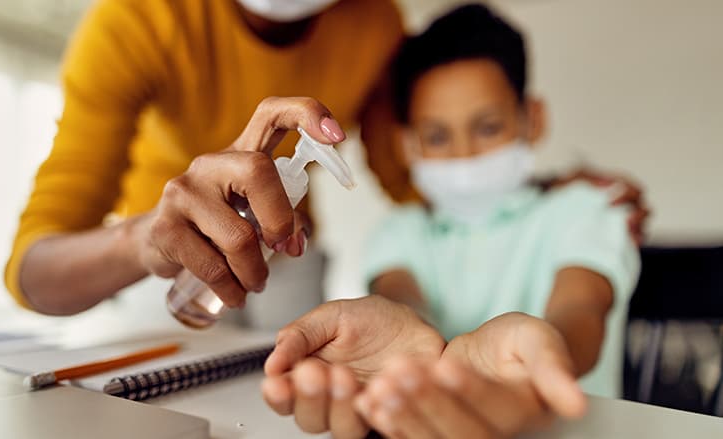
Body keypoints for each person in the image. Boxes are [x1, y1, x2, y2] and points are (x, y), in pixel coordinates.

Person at [5, 0, 646, 319]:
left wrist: (544, 195)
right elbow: (34, 270)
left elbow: (422, 173)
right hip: (157, 257)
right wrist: (146, 238)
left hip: (287, 252)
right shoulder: (136, 22)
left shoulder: (374, 24)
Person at [262, 4, 640, 437]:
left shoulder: (585, 210)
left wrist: (541, 360)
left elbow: (580, 309)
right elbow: (404, 306)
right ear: (406, 145)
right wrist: (416, 355)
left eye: (488, 127)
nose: (463, 155)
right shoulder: (399, 233)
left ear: (532, 119)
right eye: (438, 136)